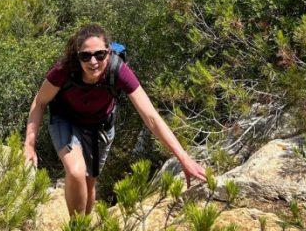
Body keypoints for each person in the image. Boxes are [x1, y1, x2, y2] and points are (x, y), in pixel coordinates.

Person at [23, 23, 207, 216]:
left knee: (89, 180)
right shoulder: (64, 70)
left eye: (99, 55)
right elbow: (40, 102)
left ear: (109, 53)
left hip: (99, 125)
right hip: (66, 120)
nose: (93, 61)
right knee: (77, 171)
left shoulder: (118, 70)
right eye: (85, 56)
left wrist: (184, 158)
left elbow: (151, 117)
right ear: (77, 56)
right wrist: (29, 143)